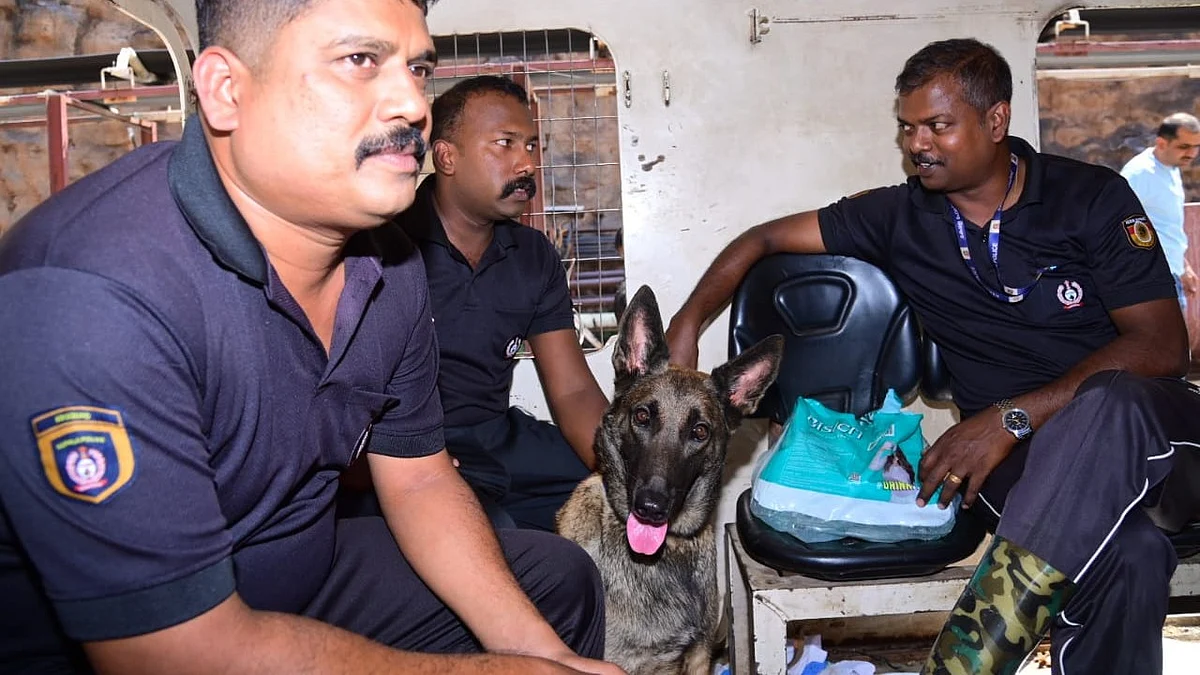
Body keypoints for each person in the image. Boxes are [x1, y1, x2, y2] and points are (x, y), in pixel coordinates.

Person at [0, 2, 623, 674]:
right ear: (226, 90)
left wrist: (545, 658)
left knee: (558, 582)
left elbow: (419, 481)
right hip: (155, 633)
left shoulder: (390, 265)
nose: (413, 105)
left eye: (418, 69)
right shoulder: (88, 297)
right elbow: (170, 655)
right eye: (360, 60)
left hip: (297, 566)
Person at [665, 38, 1200, 675]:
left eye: (938, 125)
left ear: (996, 120)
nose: (918, 144)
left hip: (1153, 439)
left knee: (1104, 403)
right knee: (1129, 554)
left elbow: (1164, 346)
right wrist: (687, 323)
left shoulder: (1090, 198)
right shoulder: (900, 217)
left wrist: (1008, 419)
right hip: (1025, 464)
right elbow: (762, 238)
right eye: (907, 127)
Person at [392, 75, 609, 532]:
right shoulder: (386, 246)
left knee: (608, 502)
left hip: (497, 440)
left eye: (530, 146)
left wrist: (624, 467)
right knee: (485, 530)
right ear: (447, 157)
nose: (526, 163)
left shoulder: (533, 256)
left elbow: (572, 390)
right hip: (412, 449)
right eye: (505, 144)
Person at [1120, 112, 1200, 310]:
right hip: (1151, 279)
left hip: (1171, 273)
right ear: (1162, 143)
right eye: (1184, 146)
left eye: (1196, 146)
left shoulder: (1171, 167)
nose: (1191, 154)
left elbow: (1163, 223)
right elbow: (1116, 223)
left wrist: (1183, 266)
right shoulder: (1140, 174)